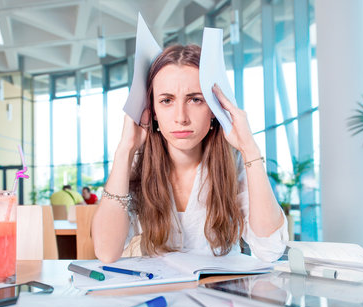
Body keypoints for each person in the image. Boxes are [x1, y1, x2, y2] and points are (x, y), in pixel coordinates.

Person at [92, 44, 288, 264]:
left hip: (222, 293)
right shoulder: (140, 163)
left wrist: (250, 149)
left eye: (195, 99)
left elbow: (271, 249)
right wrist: (125, 150)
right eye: (167, 100)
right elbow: (106, 252)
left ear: (214, 108)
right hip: (161, 294)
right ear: (152, 111)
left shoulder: (233, 162)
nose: (181, 117)